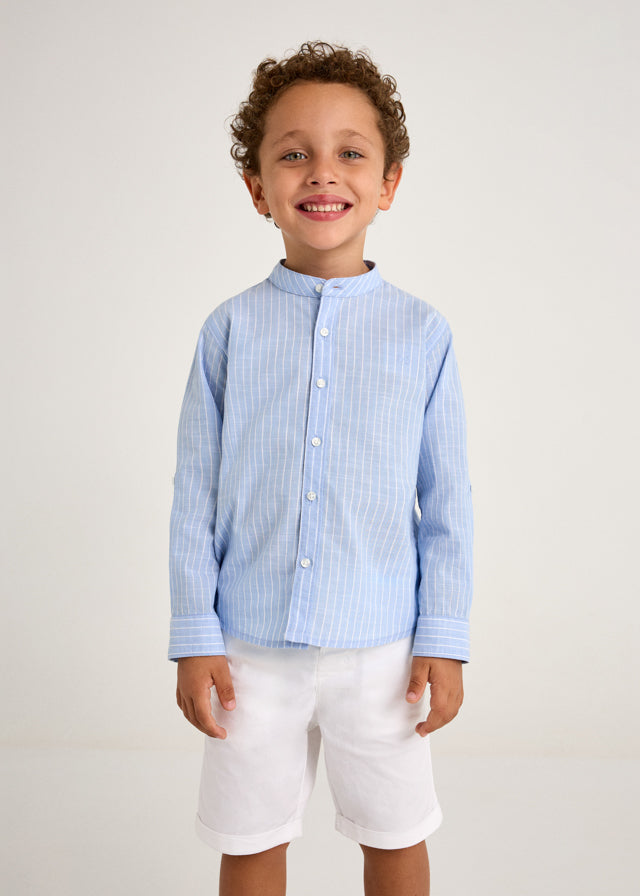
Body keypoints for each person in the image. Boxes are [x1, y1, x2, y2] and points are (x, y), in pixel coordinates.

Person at [168, 40, 474, 896]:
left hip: (385, 650)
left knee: (396, 831)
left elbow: (448, 501)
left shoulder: (423, 334)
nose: (322, 173)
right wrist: (194, 637)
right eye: (293, 154)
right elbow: (193, 498)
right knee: (250, 837)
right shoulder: (229, 331)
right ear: (257, 188)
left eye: (350, 152)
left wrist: (444, 639)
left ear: (389, 183)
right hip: (247, 651)